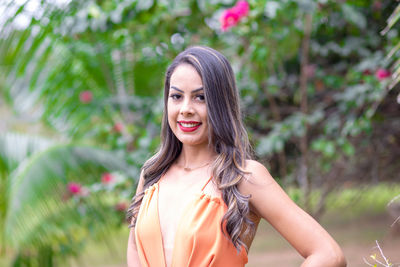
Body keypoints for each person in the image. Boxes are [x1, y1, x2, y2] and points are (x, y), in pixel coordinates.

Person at [126, 46, 346, 267]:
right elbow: (135, 247)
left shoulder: (242, 177)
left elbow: (329, 254)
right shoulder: (152, 173)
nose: (185, 109)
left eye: (200, 97)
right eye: (176, 96)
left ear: (221, 103)